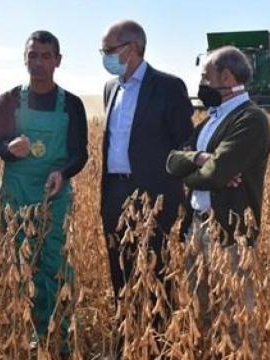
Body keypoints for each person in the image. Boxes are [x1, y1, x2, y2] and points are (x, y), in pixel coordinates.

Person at [166, 45, 270, 355]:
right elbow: (172, 159)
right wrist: (200, 157)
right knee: (201, 310)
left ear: (226, 77)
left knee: (236, 313)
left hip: (231, 233)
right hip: (196, 226)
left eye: (205, 76)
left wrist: (201, 168)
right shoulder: (211, 119)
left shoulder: (251, 120)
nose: (201, 84)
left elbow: (215, 173)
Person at [0, 30, 88, 356]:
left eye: (46, 56)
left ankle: (59, 335)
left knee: (56, 265)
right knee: (18, 266)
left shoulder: (72, 105)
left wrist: (62, 174)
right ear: (24, 58)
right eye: (32, 55)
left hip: (54, 195)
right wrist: (8, 148)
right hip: (16, 195)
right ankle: (26, 334)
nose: (38, 62)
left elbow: (80, 153)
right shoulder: (8, 99)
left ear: (58, 61)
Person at [100, 19, 193, 305]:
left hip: (156, 197)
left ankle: (157, 345)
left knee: (156, 272)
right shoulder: (110, 88)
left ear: (131, 48)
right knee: (119, 272)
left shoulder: (168, 86)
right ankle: (126, 340)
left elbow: (185, 144)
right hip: (115, 193)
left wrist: (181, 199)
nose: (104, 56)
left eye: (108, 49)